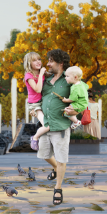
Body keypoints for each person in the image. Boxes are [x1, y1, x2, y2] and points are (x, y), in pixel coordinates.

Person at [37, 49, 78, 205]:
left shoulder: (69, 80)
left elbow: (79, 99)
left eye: (51, 61)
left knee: (61, 159)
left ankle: (58, 189)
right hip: (45, 125)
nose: (47, 64)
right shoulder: (46, 81)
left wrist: (75, 110)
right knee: (44, 154)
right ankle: (55, 169)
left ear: (60, 63)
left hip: (61, 126)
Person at [40, 66, 88, 134]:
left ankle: (76, 121)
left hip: (79, 104)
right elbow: (87, 87)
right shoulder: (81, 84)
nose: (65, 78)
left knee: (67, 112)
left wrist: (66, 100)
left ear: (75, 77)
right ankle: (75, 120)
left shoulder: (75, 88)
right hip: (83, 103)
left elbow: (73, 98)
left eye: (67, 76)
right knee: (69, 110)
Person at [23, 52, 47, 149]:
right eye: (34, 60)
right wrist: (41, 74)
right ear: (29, 63)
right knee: (47, 125)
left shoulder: (43, 73)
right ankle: (35, 137)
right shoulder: (29, 76)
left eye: (39, 59)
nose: (38, 62)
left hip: (43, 102)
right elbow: (38, 89)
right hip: (35, 105)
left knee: (49, 123)